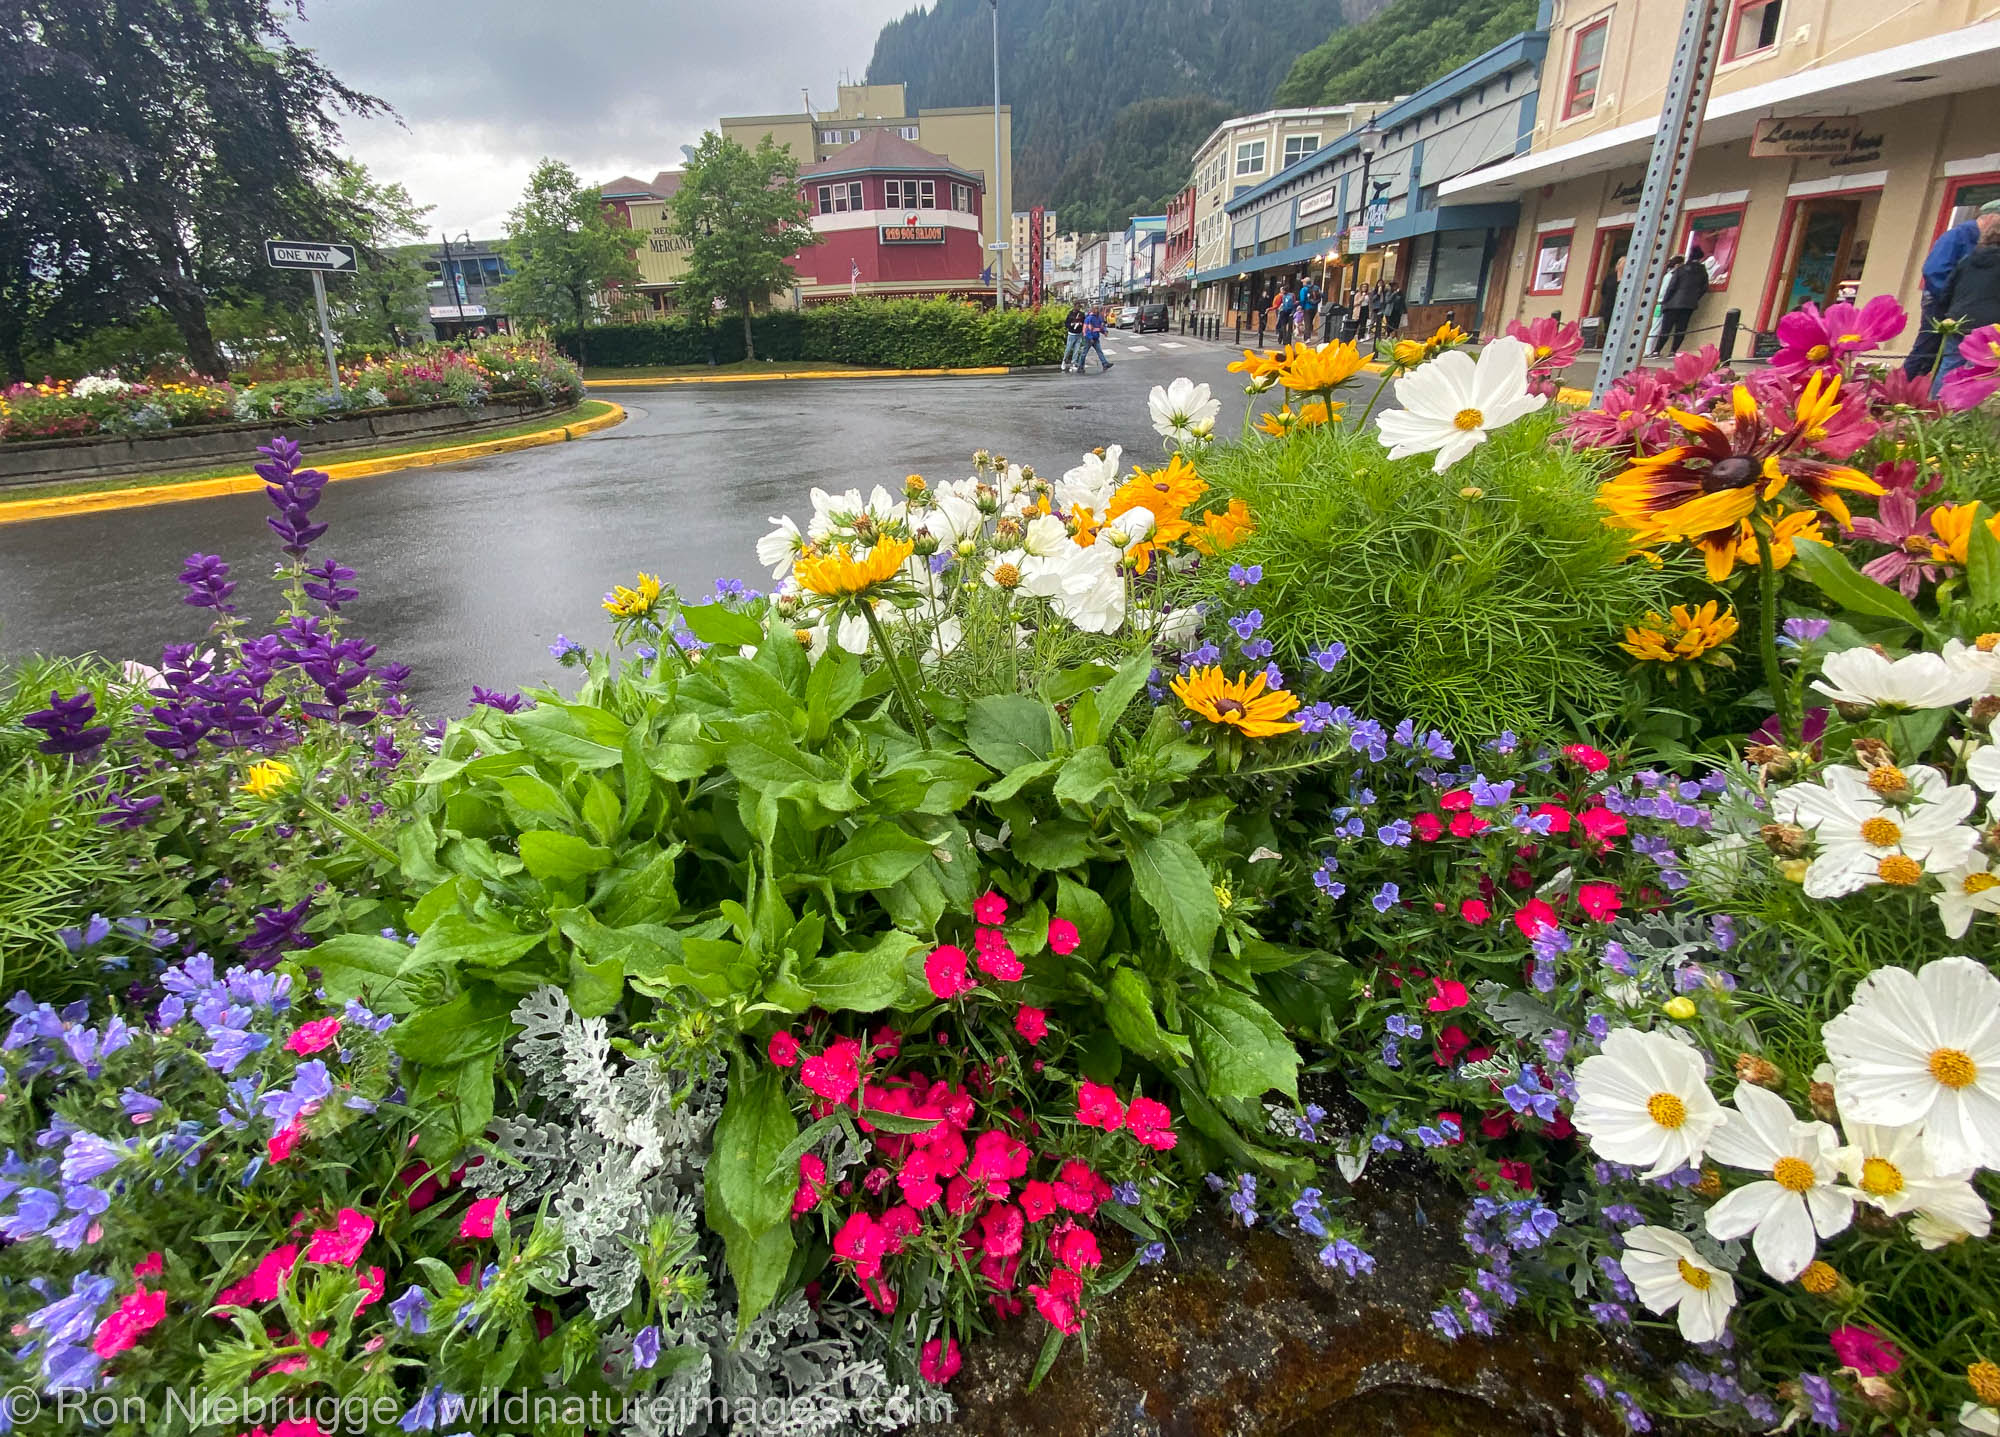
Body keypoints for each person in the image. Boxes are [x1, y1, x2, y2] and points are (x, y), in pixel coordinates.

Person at [1907, 200, 2000, 378]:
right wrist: (1952, 303)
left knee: (1949, 358)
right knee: (1927, 348)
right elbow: (1934, 271)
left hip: (1961, 308)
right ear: (1989, 217)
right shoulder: (1959, 234)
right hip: (1940, 301)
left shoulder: (1983, 242)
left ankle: (1934, 396)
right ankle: (1903, 388)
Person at [1934, 227, 2000, 392]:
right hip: (1991, 327)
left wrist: (1950, 313)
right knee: (1981, 373)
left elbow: (1947, 290)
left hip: (1958, 320)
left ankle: (1937, 408)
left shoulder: (1967, 260)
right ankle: (1963, 413)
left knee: (1948, 367)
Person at [1654, 249, 1708, 355]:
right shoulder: (1702, 271)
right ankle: (1673, 350)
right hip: (1689, 304)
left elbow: (1672, 286)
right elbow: (1704, 288)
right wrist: (1695, 297)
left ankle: (1657, 350)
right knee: (1681, 328)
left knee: (1666, 328)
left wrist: (1665, 301)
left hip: (1673, 302)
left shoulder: (1681, 269)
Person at [1079, 306, 1112, 373]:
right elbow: (1087, 330)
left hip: (1095, 338)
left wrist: (1104, 331)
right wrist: (1090, 338)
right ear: (1093, 310)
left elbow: (1101, 326)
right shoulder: (1089, 318)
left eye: (1098, 309)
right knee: (1084, 353)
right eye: (1096, 309)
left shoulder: (1098, 318)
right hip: (1089, 338)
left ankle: (1105, 364)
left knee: (1099, 351)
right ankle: (1080, 367)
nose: (1097, 310)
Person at [1061, 302, 1087, 372]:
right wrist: (1071, 324)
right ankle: (1064, 361)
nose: (1079, 308)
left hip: (1079, 334)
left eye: (1080, 307)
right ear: (1074, 306)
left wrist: (1081, 324)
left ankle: (1073, 363)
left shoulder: (1082, 314)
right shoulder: (1070, 314)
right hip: (1071, 334)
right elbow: (1066, 324)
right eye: (1078, 306)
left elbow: (1084, 323)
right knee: (1068, 349)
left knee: (1076, 350)